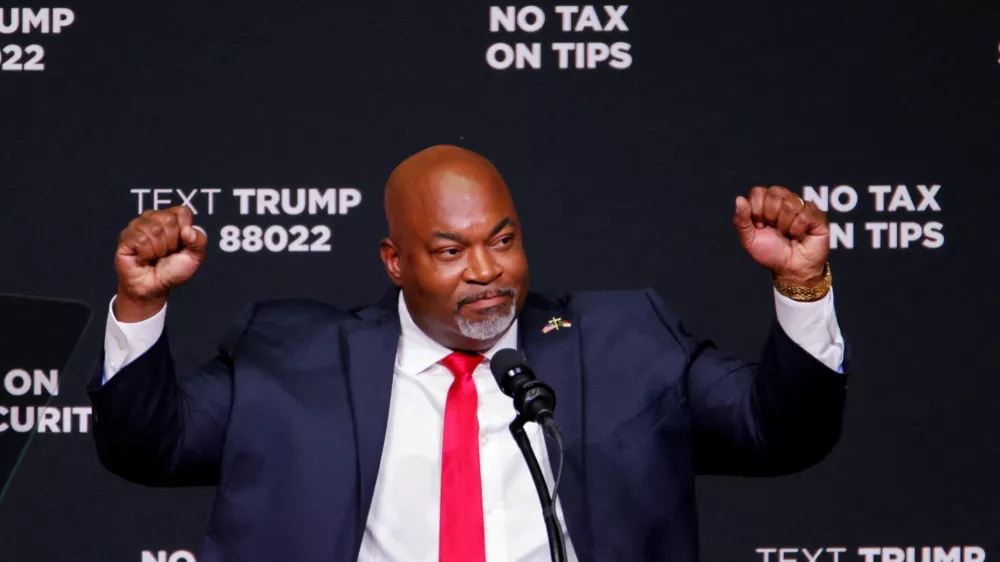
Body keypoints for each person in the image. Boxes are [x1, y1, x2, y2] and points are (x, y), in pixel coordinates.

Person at [89, 145, 848, 562]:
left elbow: (779, 433)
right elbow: (147, 447)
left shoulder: (628, 342)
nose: (486, 271)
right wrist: (143, 305)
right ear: (394, 261)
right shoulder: (290, 356)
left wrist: (803, 285)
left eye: (504, 241)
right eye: (450, 250)